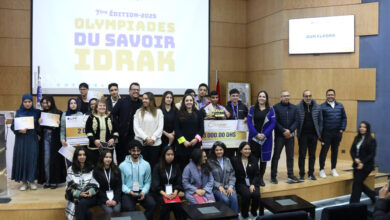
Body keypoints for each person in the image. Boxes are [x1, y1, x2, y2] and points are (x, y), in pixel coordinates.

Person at [119, 140, 156, 220]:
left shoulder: (146, 164)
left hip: (142, 191)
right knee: (129, 208)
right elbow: (121, 184)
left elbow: (148, 181)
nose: (136, 153)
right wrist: (129, 191)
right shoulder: (122, 165)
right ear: (129, 151)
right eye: (133, 150)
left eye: (138, 150)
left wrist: (144, 192)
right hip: (128, 192)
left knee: (152, 204)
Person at [11, 94, 41, 191]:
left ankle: (31, 181)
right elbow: (13, 126)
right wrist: (19, 130)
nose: (27, 104)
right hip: (21, 140)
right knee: (22, 159)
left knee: (32, 159)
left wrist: (40, 123)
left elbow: (39, 127)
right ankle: (24, 182)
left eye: (29, 102)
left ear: (32, 102)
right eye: (25, 102)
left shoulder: (36, 112)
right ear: (22, 102)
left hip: (32, 139)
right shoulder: (19, 112)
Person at [247, 90, 276, 186]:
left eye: (264, 96)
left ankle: (260, 178)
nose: (262, 98)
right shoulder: (252, 108)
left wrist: (264, 134)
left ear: (266, 98)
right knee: (254, 159)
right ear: (257, 98)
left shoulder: (271, 109)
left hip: (266, 139)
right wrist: (256, 134)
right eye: (260, 96)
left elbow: (273, 123)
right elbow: (249, 123)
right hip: (254, 138)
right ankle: (254, 178)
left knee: (263, 160)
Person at [37, 95, 66, 189]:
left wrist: (59, 123)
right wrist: (39, 122)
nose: (45, 105)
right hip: (45, 138)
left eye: (47, 102)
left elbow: (63, 128)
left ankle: (54, 181)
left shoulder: (59, 113)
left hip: (55, 139)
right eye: (43, 103)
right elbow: (38, 129)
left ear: (51, 102)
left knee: (55, 160)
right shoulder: (41, 113)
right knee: (46, 159)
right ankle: (47, 180)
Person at [270, 90, 299, 184]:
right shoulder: (276, 107)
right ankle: (273, 176)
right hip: (280, 135)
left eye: (288, 96)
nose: (286, 97)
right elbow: (275, 122)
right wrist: (283, 131)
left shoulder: (294, 108)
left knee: (290, 156)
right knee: (276, 156)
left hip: (290, 135)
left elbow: (296, 121)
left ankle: (290, 174)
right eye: (284, 96)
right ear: (281, 97)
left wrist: (290, 131)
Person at [112, 82, 142, 164]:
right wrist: (117, 127)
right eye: (133, 90)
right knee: (121, 160)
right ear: (129, 91)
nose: (136, 91)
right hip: (122, 137)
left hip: (136, 137)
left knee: (135, 160)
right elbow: (113, 115)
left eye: (138, 90)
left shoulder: (142, 103)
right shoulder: (122, 101)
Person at [319, 89, 347, 178]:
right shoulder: (322, 107)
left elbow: (344, 118)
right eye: (328, 95)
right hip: (326, 134)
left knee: (335, 152)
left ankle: (333, 169)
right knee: (324, 152)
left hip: (337, 134)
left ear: (334, 96)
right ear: (326, 96)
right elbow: (320, 121)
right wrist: (320, 133)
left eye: (331, 95)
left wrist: (342, 129)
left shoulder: (340, 106)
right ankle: (321, 170)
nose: (330, 96)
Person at [151, 146, 185, 220]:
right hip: (160, 193)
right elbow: (155, 185)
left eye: (172, 154)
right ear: (164, 155)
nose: (170, 156)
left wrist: (175, 192)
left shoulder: (176, 166)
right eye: (168, 154)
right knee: (166, 205)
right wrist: (165, 194)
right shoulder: (157, 167)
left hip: (173, 193)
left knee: (178, 205)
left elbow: (178, 182)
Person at [65, 147, 99, 220]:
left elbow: (96, 184)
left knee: (81, 203)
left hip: (90, 196)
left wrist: (91, 191)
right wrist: (78, 193)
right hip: (77, 195)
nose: (82, 157)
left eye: (84, 155)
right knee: (86, 210)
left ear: (86, 156)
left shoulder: (91, 168)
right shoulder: (71, 169)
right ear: (76, 156)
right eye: (80, 155)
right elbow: (69, 186)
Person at [296, 90, 323, 181]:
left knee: (312, 155)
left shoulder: (317, 107)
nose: (308, 98)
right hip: (302, 135)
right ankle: (302, 174)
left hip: (313, 135)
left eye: (309, 96)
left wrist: (319, 133)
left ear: (311, 96)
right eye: (306, 96)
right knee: (302, 155)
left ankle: (311, 174)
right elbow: (296, 121)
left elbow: (320, 121)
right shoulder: (298, 107)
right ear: (303, 97)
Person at [134, 92, 164, 169]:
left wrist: (153, 138)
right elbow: (136, 127)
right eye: (143, 98)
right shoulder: (138, 111)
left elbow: (160, 127)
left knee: (153, 166)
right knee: (141, 167)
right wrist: (146, 138)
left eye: (146, 98)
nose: (144, 100)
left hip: (155, 144)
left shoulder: (159, 112)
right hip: (141, 144)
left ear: (151, 100)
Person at [174, 94, 204, 170]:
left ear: (193, 102)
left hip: (196, 145)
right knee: (183, 167)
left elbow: (201, 129)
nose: (189, 102)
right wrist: (184, 141)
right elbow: (177, 130)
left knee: (196, 166)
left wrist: (196, 139)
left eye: (191, 100)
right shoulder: (178, 114)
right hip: (183, 146)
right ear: (184, 102)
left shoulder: (199, 113)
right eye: (187, 100)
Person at [207, 141, 238, 213]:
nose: (219, 152)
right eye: (217, 150)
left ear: (224, 150)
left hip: (228, 186)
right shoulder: (209, 162)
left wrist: (231, 186)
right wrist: (219, 186)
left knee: (234, 199)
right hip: (217, 188)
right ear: (214, 151)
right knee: (225, 200)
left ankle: (234, 218)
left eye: (221, 150)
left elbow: (232, 174)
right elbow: (209, 178)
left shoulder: (227, 160)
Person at [85, 99, 119, 165]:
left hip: (108, 147)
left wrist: (113, 139)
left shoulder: (111, 117)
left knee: (108, 165)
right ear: (96, 107)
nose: (102, 107)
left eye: (104, 106)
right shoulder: (91, 117)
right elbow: (88, 131)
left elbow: (116, 130)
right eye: (100, 106)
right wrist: (94, 140)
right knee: (95, 165)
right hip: (94, 148)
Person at [349, 121, 376, 204]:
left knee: (357, 184)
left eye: (364, 127)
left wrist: (362, 163)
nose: (362, 128)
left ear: (367, 129)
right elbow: (352, 151)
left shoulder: (371, 140)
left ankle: (353, 204)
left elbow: (371, 154)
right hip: (356, 165)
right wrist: (355, 159)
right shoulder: (357, 138)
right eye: (360, 127)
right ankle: (372, 195)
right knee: (358, 183)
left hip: (366, 166)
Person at [232, 142, 261, 219]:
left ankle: (253, 212)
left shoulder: (254, 159)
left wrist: (253, 184)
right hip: (240, 183)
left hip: (252, 182)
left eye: (249, 149)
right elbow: (233, 174)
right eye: (245, 149)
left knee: (256, 194)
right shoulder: (235, 160)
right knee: (246, 194)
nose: (247, 151)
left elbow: (257, 174)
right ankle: (244, 214)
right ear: (241, 150)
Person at [93, 150, 122, 214]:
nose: (108, 159)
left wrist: (115, 200)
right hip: (102, 197)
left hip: (115, 196)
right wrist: (105, 200)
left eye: (110, 157)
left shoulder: (116, 170)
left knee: (116, 210)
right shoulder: (96, 171)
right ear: (102, 158)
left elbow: (119, 187)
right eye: (106, 157)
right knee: (109, 211)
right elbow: (97, 188)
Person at [60, 98, 84, 163]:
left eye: (75, 103)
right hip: (68, 143)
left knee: (78, 162)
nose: (73, 105)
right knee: (69, 162)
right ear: (68, 105)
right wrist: (62, 140)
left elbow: (82, 128)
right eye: (71, 103)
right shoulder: (64, 114)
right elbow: (62, 129)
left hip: (78, 143)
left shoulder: (80, 114)